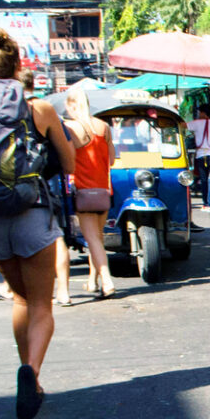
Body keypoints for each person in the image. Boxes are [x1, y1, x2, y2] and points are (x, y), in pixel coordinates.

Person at [0, 29, 75, 419]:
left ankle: (27, 369)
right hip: (31, 211)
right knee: (42, 304)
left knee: (20, 299)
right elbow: (69, 161)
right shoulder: (38, 109)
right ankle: (32, 371)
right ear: (19, 68)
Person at [63, 86, 117, 299]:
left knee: (92, 239)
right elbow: (111, 160)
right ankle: (93, 280)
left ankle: (106, 279)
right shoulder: (103, 126)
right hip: (103, 190)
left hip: (83, 191)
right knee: (98, 237)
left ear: (72, 105)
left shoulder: (70, 127)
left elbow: (66, 162)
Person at [188, 102, 210, 208]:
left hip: (200, 155)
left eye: (199, 112)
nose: (198, 114)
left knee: (203, 180)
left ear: (203, 113)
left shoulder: (196, 123)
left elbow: (182, 125)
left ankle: (205, 203)